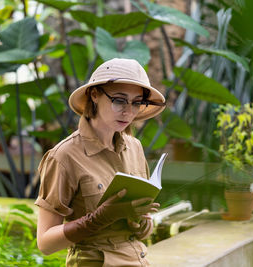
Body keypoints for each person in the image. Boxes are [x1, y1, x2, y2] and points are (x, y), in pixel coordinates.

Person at [35, 58, 166, 266]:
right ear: (94, 94)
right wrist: (99, 217)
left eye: (136, 102)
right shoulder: (64, 156)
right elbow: (45, 243)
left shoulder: (135, 148)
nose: (128, 112)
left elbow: (142, 232)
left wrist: (139, 219)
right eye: (119, 100)